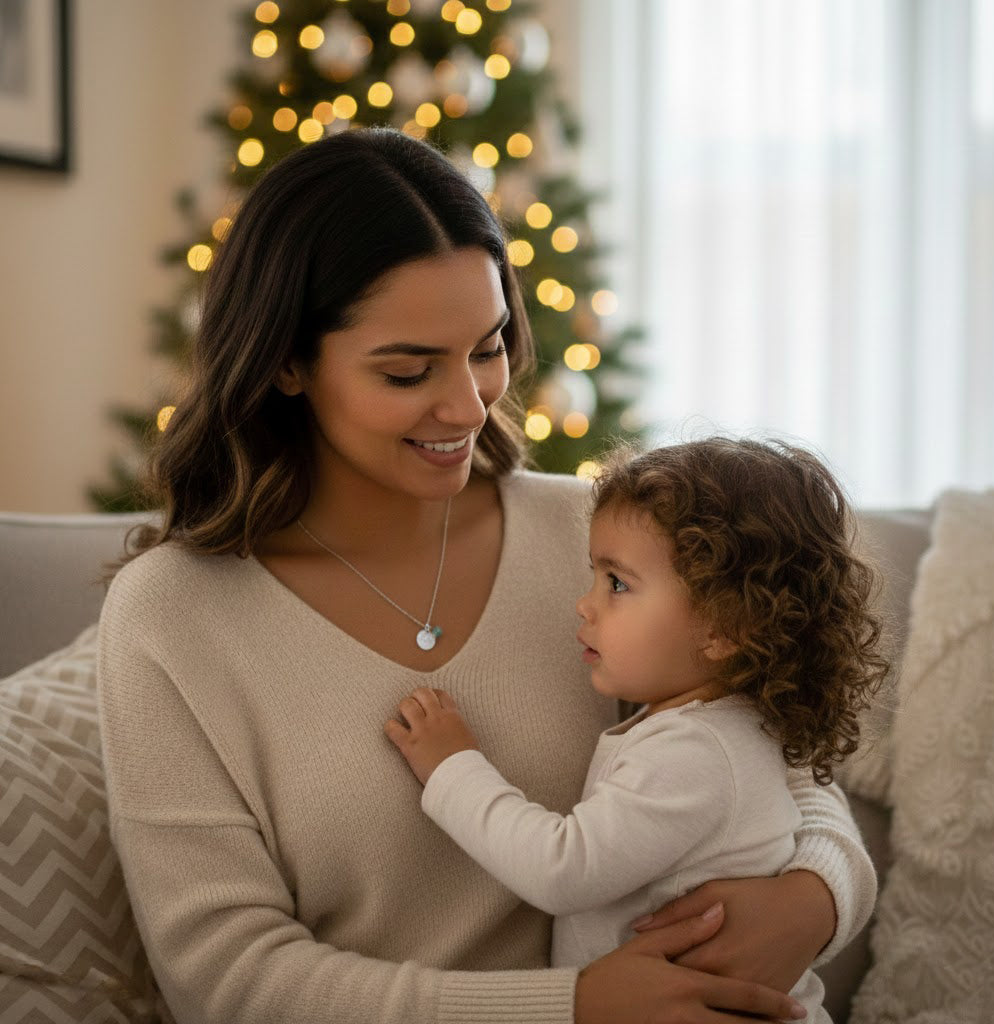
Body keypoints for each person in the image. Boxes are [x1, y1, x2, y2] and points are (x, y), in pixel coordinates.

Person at [97, 127, 877, 1024]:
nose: (470, 404)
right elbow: (227, 979)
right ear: (284, 362)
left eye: (488, 345)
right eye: (407, 370)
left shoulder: (598, 540)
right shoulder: (170, 619)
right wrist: (569, 1006)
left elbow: (776, 759)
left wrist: (815, 901)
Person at [386, 438, 889, 1023]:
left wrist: (452, 768)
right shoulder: (730, 720)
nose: (584, 605)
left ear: (725, 628)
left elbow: (562, 870)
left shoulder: (693, 752)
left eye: (617, 584)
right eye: (594, 576)